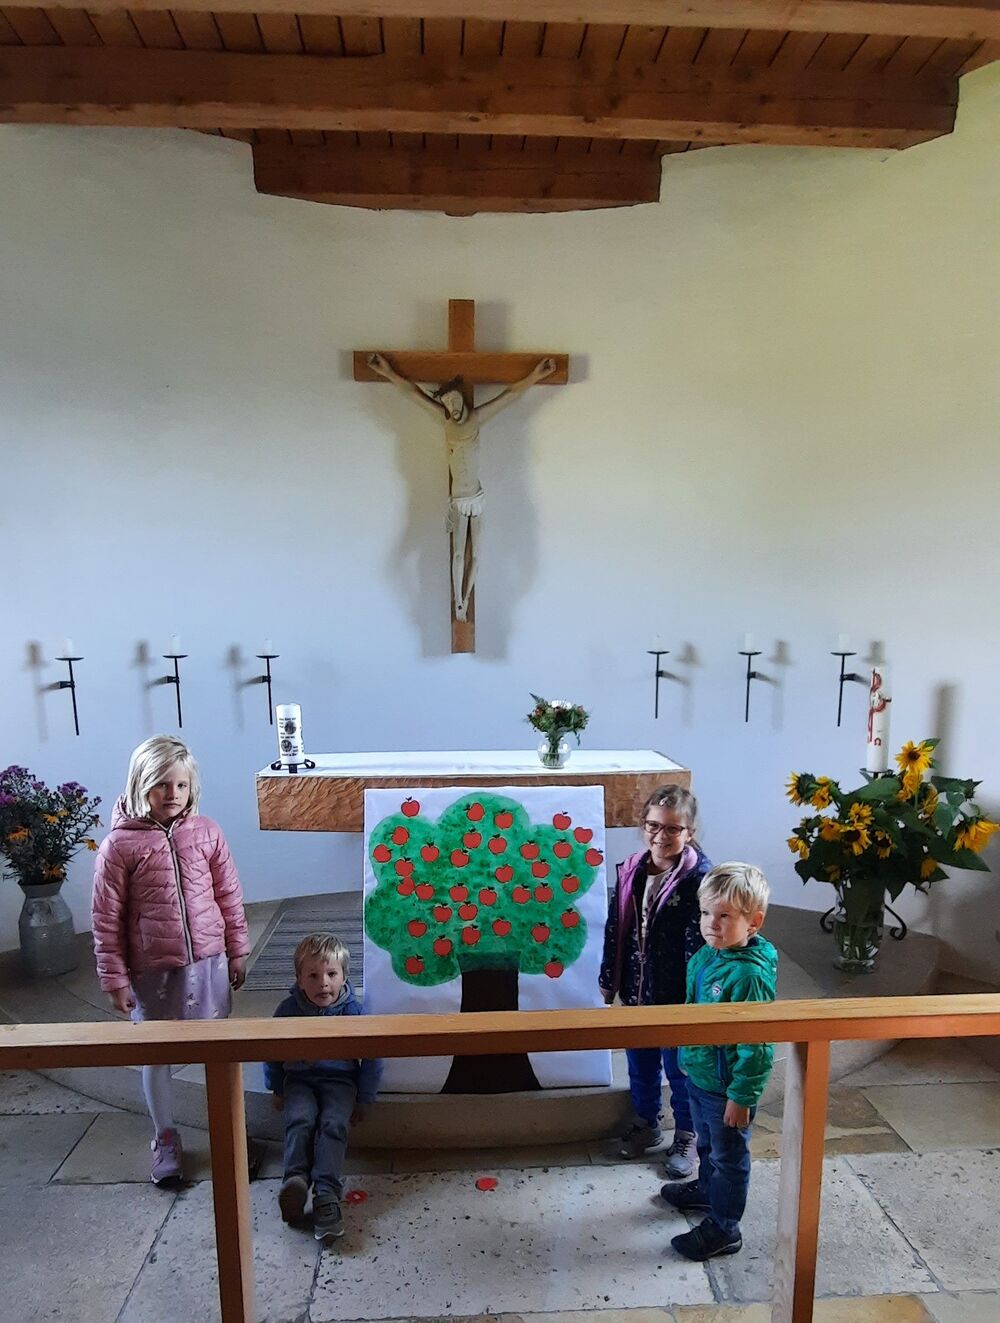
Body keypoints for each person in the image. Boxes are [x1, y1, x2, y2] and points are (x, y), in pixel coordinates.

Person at [91, 735, 249, 1185]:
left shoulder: (207, 832)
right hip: (154, 971)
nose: (173, 794)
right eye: (161, 784)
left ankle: (228, 1130)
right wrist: (115, 979)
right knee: (157, 1054)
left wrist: (237, 949)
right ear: (141, 784)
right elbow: (106, 919)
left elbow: (229, 895)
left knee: (217, 1050)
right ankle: (164, 1136)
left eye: (181, 785)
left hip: (208, 964)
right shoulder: (119, 847)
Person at [366, 350, 556, 620]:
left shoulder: (478, 418)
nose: (452, 407)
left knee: (475, 555)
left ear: (463, 399)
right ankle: (459, 602)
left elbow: (510, 395)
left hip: (476, 497)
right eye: (447, 403)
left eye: (454, 400)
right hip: (457, 500)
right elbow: (413, 393)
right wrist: (387, 373)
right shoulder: (445, 422)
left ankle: (466, 597)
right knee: (457, 555)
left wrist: (535, 377)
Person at [661, 862, 778, 1262]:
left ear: (754, 922)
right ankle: (707, 1192)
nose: (711, 923)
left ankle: (725, 1228)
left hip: (726, 1087)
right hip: (701, 1075)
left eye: (725, 915)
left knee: (729, 1158)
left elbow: (756, 1045)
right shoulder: (707, 955)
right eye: (706, 912)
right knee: (708, 1145)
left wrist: (742, 1096)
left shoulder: (747, 976)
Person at [599, 786, 711, 1177]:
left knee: (681, 1070)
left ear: (690, 831)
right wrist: (608, 979)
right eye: (653, 826)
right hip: (636, 988)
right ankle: (647, 1123)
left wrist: (697, 996)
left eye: (672, 829)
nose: (661, 836)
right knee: (640, 1064)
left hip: (677, 993)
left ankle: (687, 1134)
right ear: (643, 826)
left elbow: (702, 945)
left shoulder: (700, 879)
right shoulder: (632, 869)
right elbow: (616, 927)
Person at [265, 933, 382, 1243]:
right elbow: (271, 1050)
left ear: (344, 976)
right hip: (299, 1080)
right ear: (300, 979)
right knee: (300, 1119)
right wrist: (276, 1086)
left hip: (340, 1081)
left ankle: (326, 1193)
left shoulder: (354, 1012)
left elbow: (372, 1056)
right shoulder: (288, 1010)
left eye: (331, 974)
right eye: (313, 976)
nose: (323, 983)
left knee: (333, 1123)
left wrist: (365, 1097)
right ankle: (295, 1180)